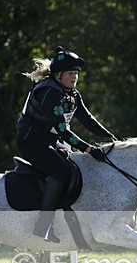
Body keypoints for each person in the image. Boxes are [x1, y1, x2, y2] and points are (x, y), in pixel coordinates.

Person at [16, 46, 117, 243]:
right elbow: (63, 131)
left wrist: (112, 138)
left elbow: (88, 120)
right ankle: (42, 226)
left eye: (76, 74)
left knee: (76, 167)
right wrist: (89, 149)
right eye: (71, 74)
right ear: (59, 74)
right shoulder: (50, 93)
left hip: (50, 141)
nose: (75, 78)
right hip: (31, 143)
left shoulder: (71, 93)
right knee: (61, 171)